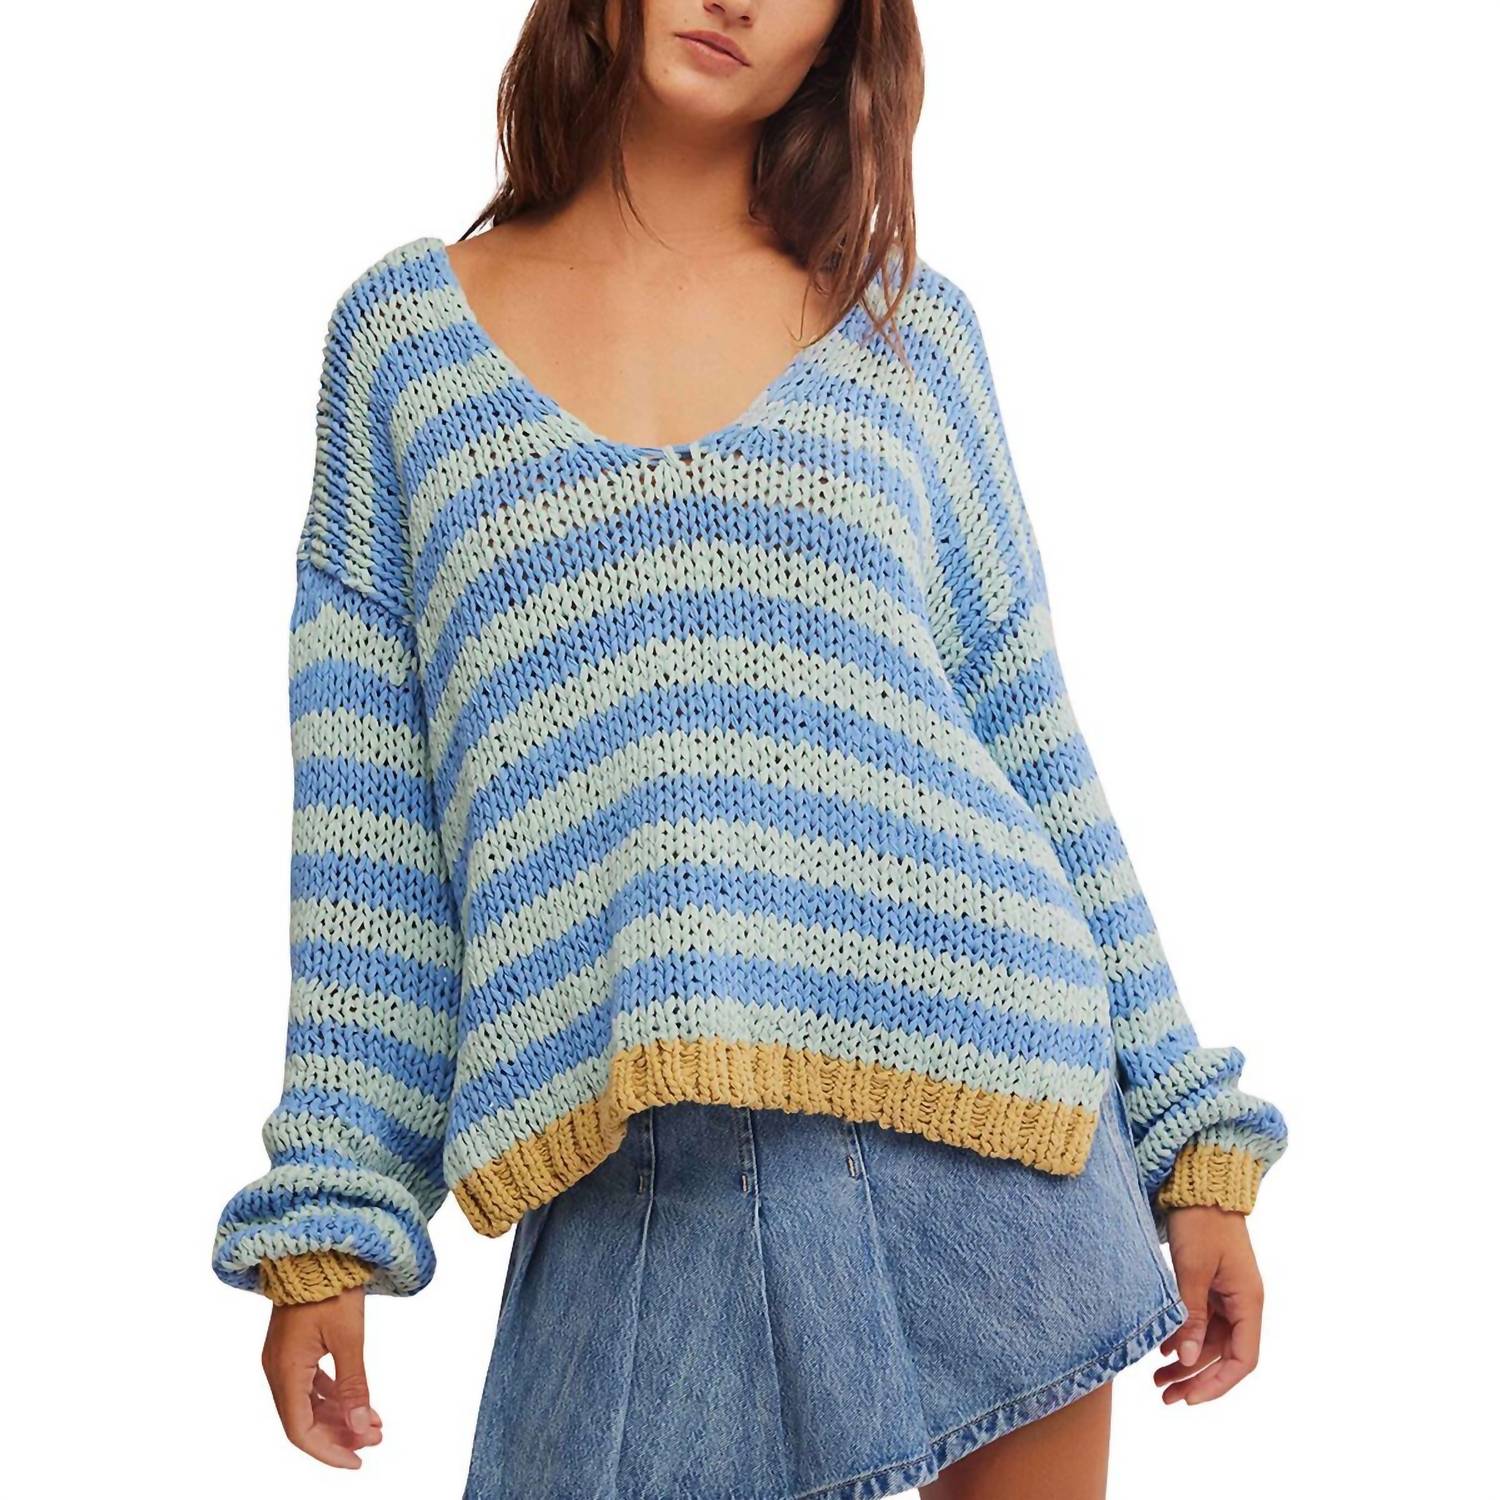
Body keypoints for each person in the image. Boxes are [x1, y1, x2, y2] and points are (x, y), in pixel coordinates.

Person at [211, 3, 1289, 1496]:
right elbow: (369, 820)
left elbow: (1027, 734)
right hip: (635, 1173)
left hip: (989, 1135)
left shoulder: (909, 334)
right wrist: (330, 1214)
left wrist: (1183, 1134)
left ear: (839, 37)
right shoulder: (404, 349)